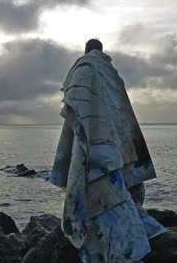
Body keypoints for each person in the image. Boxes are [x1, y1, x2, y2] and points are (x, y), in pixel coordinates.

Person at [50, 39, 166, 263]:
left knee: (91, 181)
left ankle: (99, 236)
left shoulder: (83, 67)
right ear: (101, 51)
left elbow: (77, 104)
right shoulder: (112, 74)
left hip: (93, 139)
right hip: (110, 142)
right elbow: (121, 114)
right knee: (107, 186)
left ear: (86, 50)